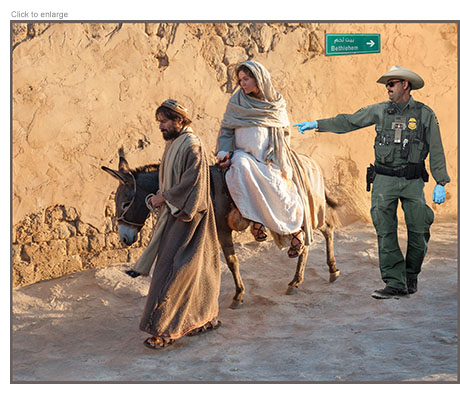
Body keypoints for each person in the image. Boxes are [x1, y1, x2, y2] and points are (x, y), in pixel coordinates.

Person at [294, 65, 450, 299]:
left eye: (392, 84)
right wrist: (318, 124)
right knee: (385, 231)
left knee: (419, 229)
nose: (387, 88)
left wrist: (441, 181)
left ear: (405, 85)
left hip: (413, 181)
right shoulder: (379, 111)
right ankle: (395, 282)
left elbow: (436, 148)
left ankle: (410, 274)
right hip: (384, 180)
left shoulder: (424, 114)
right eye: (386, 84)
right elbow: (349, 121)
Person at [134, 99, 221, 349]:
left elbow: (192, 184)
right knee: (190, 271)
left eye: (164, 121)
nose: (160, 126)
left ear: (179, 121)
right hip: (175, 214)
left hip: (190, 217)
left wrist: (164, 197)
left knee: (173, 272)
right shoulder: (174, 143)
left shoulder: (192, 146)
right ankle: (201, 320)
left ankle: (162, 330)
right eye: (159, 121)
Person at [216, 60, 326, 258]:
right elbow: (226, 130)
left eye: (247, 79)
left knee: (280, 186)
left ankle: (294, 230)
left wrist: (278, 155)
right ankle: (255, 218)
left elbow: (283, 133)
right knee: (239, 166)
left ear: (259, 78)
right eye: (240, 80)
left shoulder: (275, 103)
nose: (243, 84)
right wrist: (223, 152)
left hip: (271, 158)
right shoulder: (236, 102)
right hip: (245, 156)